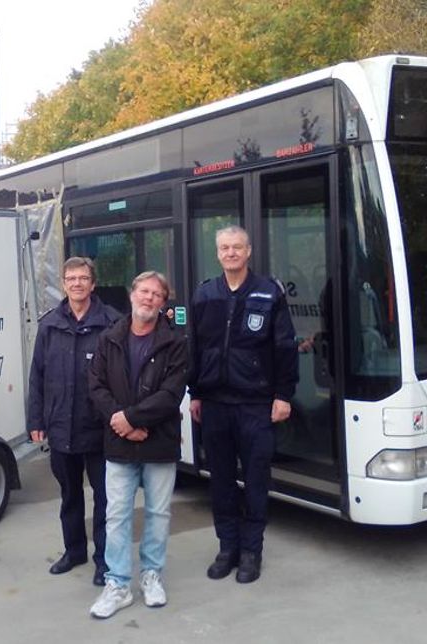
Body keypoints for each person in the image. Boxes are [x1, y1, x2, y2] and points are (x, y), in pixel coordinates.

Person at [188, 225, 298, 584]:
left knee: (254, 482)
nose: (230, 253)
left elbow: (284, 346)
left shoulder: (269, 293)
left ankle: (252, 552)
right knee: (220, 482)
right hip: (216, 404)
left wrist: (283, 395)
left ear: (249, 251)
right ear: (217, 253)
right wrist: (196, 393)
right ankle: (227, 548)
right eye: (224, 248)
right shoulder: (205, 294)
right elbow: (196, 349)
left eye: (237, 247)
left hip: (256, 405)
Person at [87, 271, 188, 619]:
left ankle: (151, 575)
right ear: (132, 295)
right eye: (143, 291)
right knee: (116, 516)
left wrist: (132, 419)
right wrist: (123, 423)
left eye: (156, 294)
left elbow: (170, 394)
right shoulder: (109, 338)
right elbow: (96, 387)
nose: (148, 298)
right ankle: (117, 584)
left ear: (163, 302)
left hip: (159, 444)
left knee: (158, 515)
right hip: (119, 444)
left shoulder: (175, 342)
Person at [28, 256, 121, 587]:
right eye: (71, 279)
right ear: (64, 284)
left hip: (99, 429)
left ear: (93, 284)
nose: (77, 283)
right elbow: (37, 376)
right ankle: (74, 551)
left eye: (83, 278)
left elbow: (121, 378)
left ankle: (103, 559)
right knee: (69, 495)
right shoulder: (50, 325)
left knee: (104, 498)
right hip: (60, 428)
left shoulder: (111, 323)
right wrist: (36, 419)